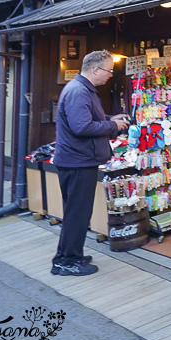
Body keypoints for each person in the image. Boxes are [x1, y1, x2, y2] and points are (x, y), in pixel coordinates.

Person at [52, 50, 129, 277]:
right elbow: (82, 127)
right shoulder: (79, 92)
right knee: (77, 213)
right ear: (95, 70)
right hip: (77, 161)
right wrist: (113, 127)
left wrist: (109, 119)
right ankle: (67, 261)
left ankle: (68, 256)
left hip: (78, 160)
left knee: (76, 212)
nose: (110, 76)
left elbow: (89, 120)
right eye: (108, 70)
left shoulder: (83, 89)